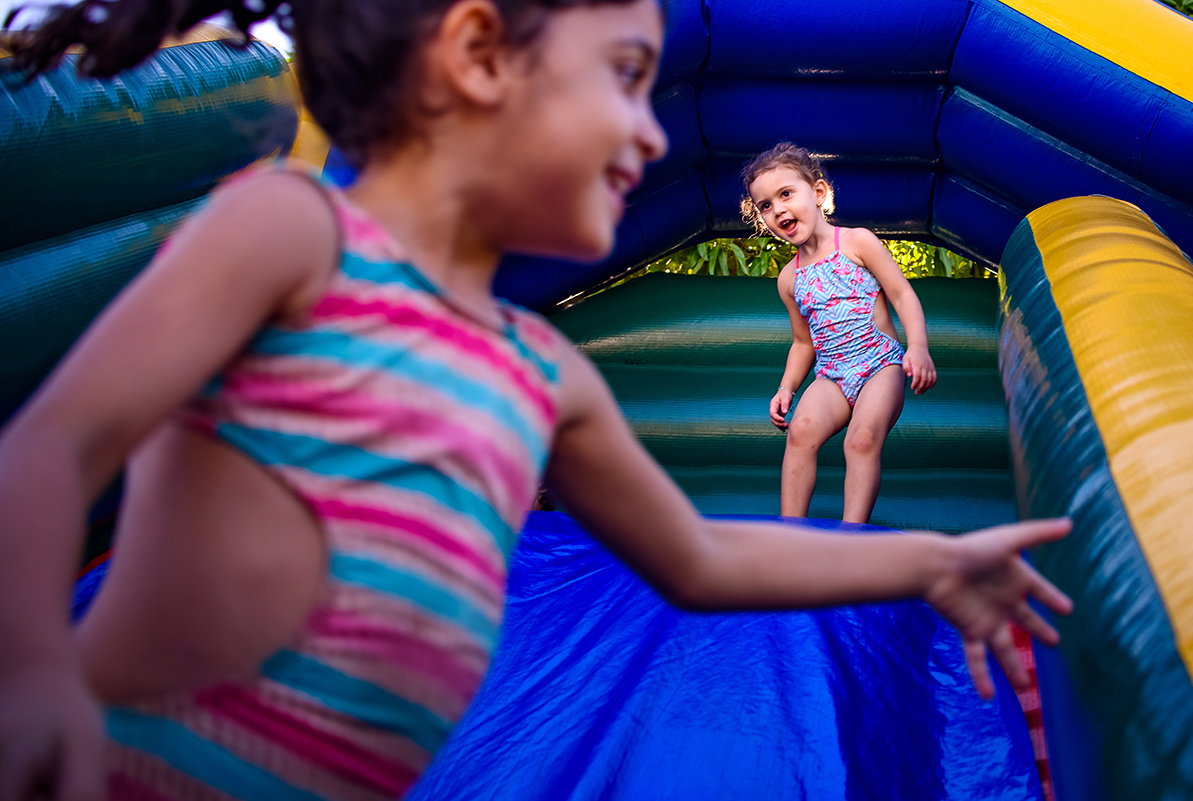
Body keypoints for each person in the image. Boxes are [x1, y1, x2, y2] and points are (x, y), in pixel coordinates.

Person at [0, 1, 1072, 799]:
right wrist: (33, 666)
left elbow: (707, 562)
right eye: (626, 76)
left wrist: (929, 562)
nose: (654, 136)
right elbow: (54, 444)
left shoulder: (539, 372)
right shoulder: (295, 234)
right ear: (477, 58)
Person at [744, 144, 938, 523]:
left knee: (861, 439)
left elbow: (901, 293)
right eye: (765, 205)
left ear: (818, 194)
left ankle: (852, 538)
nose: (778, 209)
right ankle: (790, 532)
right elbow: (803, 342)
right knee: (800, 431)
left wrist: (917, 347)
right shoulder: (789, 279)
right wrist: (786, 388)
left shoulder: (856, 242)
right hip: (833, 372)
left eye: (786, 194)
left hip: (880, 363)